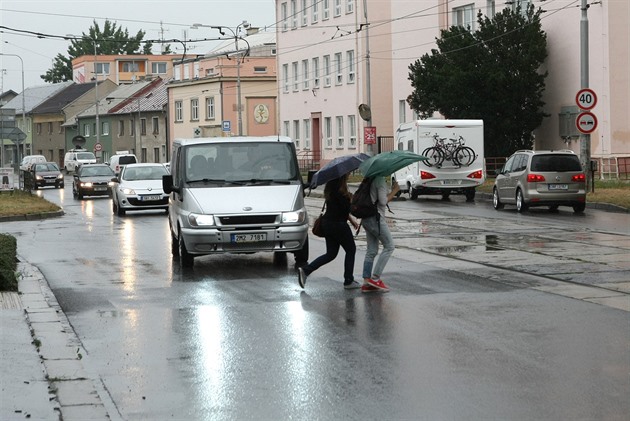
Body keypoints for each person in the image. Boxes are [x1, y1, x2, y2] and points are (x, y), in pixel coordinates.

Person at [298, 173, 361, 290]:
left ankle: (306, 271)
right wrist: (351, 200)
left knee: (331, 254)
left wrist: (351, 221)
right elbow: (348, 208)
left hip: (328, 224)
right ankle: (348, 280)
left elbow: (338, 210)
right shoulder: (340, 191)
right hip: (338, 225)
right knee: (351, 249)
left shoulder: (331, 189)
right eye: (346, 174)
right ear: (341, 177)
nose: (348, 176)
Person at [360, 177, 400, 292]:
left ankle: (366, 283)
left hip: (366, 218)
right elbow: (383, 202)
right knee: (389, 246)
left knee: (371, 250)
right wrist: (395, 190)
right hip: (376, 219)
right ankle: (375, 278)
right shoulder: (379, 180)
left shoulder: (369, 179)